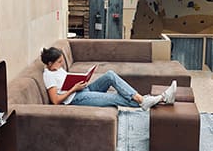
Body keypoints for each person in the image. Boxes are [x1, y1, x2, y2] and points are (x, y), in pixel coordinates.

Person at [41, 47, 177, 111]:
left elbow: (65, 81)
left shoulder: (56, 69)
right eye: (59, 62)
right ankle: (158, 99)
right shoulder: (48, 75)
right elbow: (56, 101)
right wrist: (74, 88)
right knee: (115, 98)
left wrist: (81, 81)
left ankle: (145, 100)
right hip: (75, 98)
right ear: (49, 64)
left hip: (82, 90)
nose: (62, 64)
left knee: (110, 75)